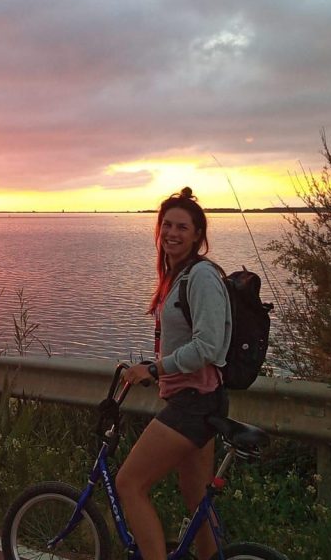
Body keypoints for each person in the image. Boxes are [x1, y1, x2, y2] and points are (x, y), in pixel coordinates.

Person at [115, 187, 232, 560]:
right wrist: (157, 371)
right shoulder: (177, 276)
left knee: (129, 484)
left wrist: (155, 367)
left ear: (198, 235)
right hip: (197, 399)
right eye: (167, 225)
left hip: (193, 403)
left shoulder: (202, 277)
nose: (172, 233)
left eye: (182, 227)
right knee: (196, 498)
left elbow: (208, 347)